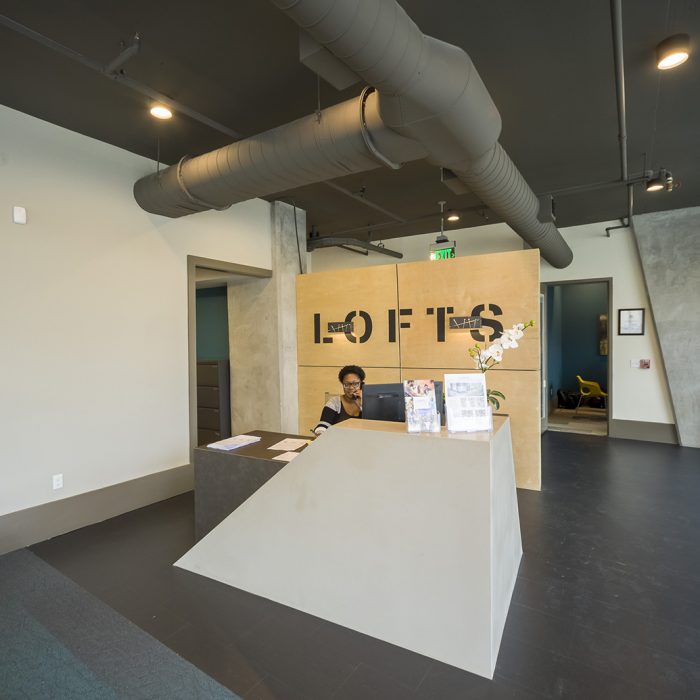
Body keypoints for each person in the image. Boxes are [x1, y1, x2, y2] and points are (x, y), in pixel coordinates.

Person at [313, 365, 365, 435]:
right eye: (346, 384)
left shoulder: (367, 402)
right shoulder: (334, 403)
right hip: (338, 441)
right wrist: (320, 432)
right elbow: (323, 425)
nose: (351, 387)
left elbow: (376, 425)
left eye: (355, 384)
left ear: (361, 384)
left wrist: (364, 402)